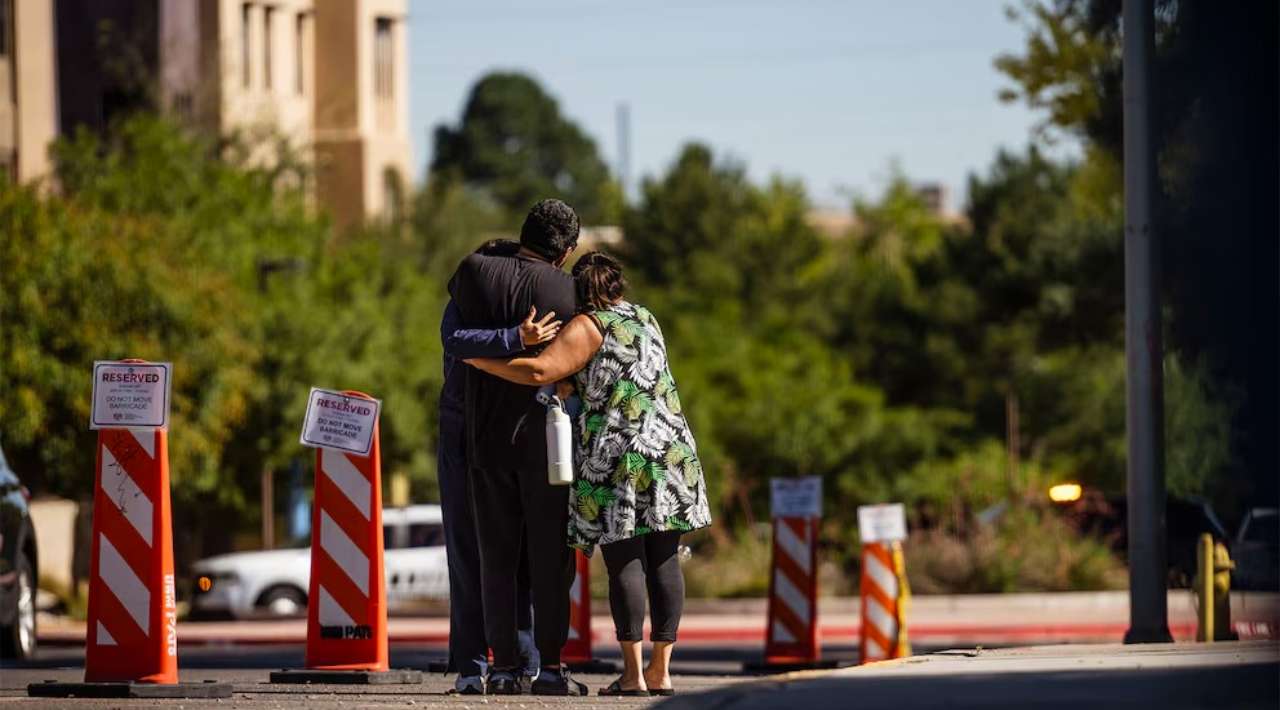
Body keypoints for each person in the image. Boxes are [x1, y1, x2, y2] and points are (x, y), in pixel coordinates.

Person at [468, 251, 712, 697]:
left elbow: (540, 370)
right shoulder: (645, 317)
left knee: (625, 560)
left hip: (620, 456)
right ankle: (661, 671)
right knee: (664, 559)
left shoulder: (588, 325)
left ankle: (633, 675)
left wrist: (480, 360)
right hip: (672, 449)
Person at [447, 199, 585, 696]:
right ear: (565, 251)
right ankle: (551, 670)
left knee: (496, 558)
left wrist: (502, 342)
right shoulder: (568, 290)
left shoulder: (473, 271)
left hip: (484, 439)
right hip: (548, 445)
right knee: (550, 560)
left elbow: (453, 339)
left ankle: (503, 668)